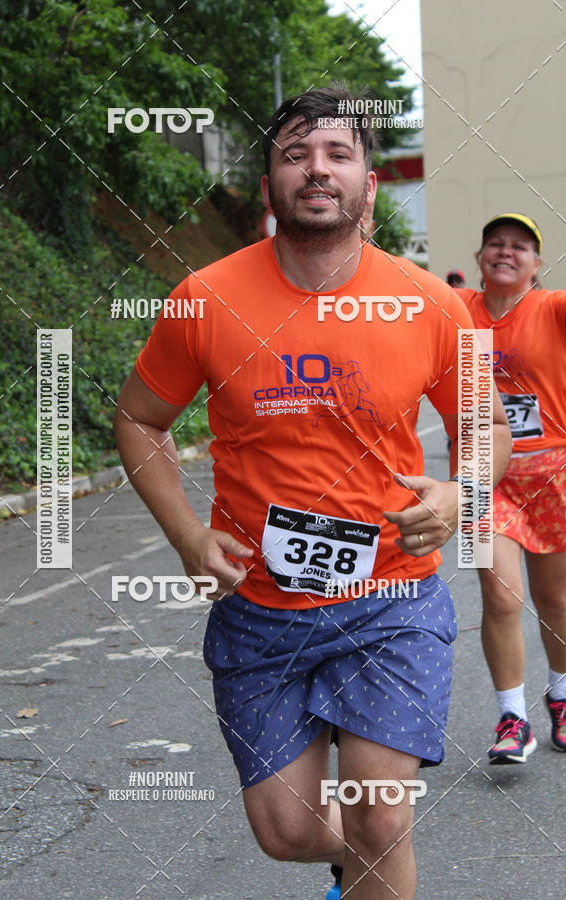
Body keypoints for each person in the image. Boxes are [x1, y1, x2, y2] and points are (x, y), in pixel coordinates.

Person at [114, 86, 511, 900]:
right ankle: (361, 858)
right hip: (260, 610)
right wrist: (189, 538)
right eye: (295, 154)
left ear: (370, 183)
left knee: (378, 815)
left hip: (390, 599)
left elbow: (490, 426)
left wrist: (460, 492)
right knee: (287, 831)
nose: (317, 169)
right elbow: (138, 419)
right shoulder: (206, 299)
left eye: (338, 153)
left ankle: (375, 844)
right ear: (269, 183)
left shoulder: (429, 303)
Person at [456, 213, 566, 764]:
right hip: (480, 471)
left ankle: (563, 697)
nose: (506, 251)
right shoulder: (457, 312)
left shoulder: (553, 307)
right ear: (479, 257)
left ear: (536, 264)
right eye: (494, 242)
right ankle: (512, 718)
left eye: (520, 246)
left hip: (554, 473)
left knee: (556, 601)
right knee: (500, 597)